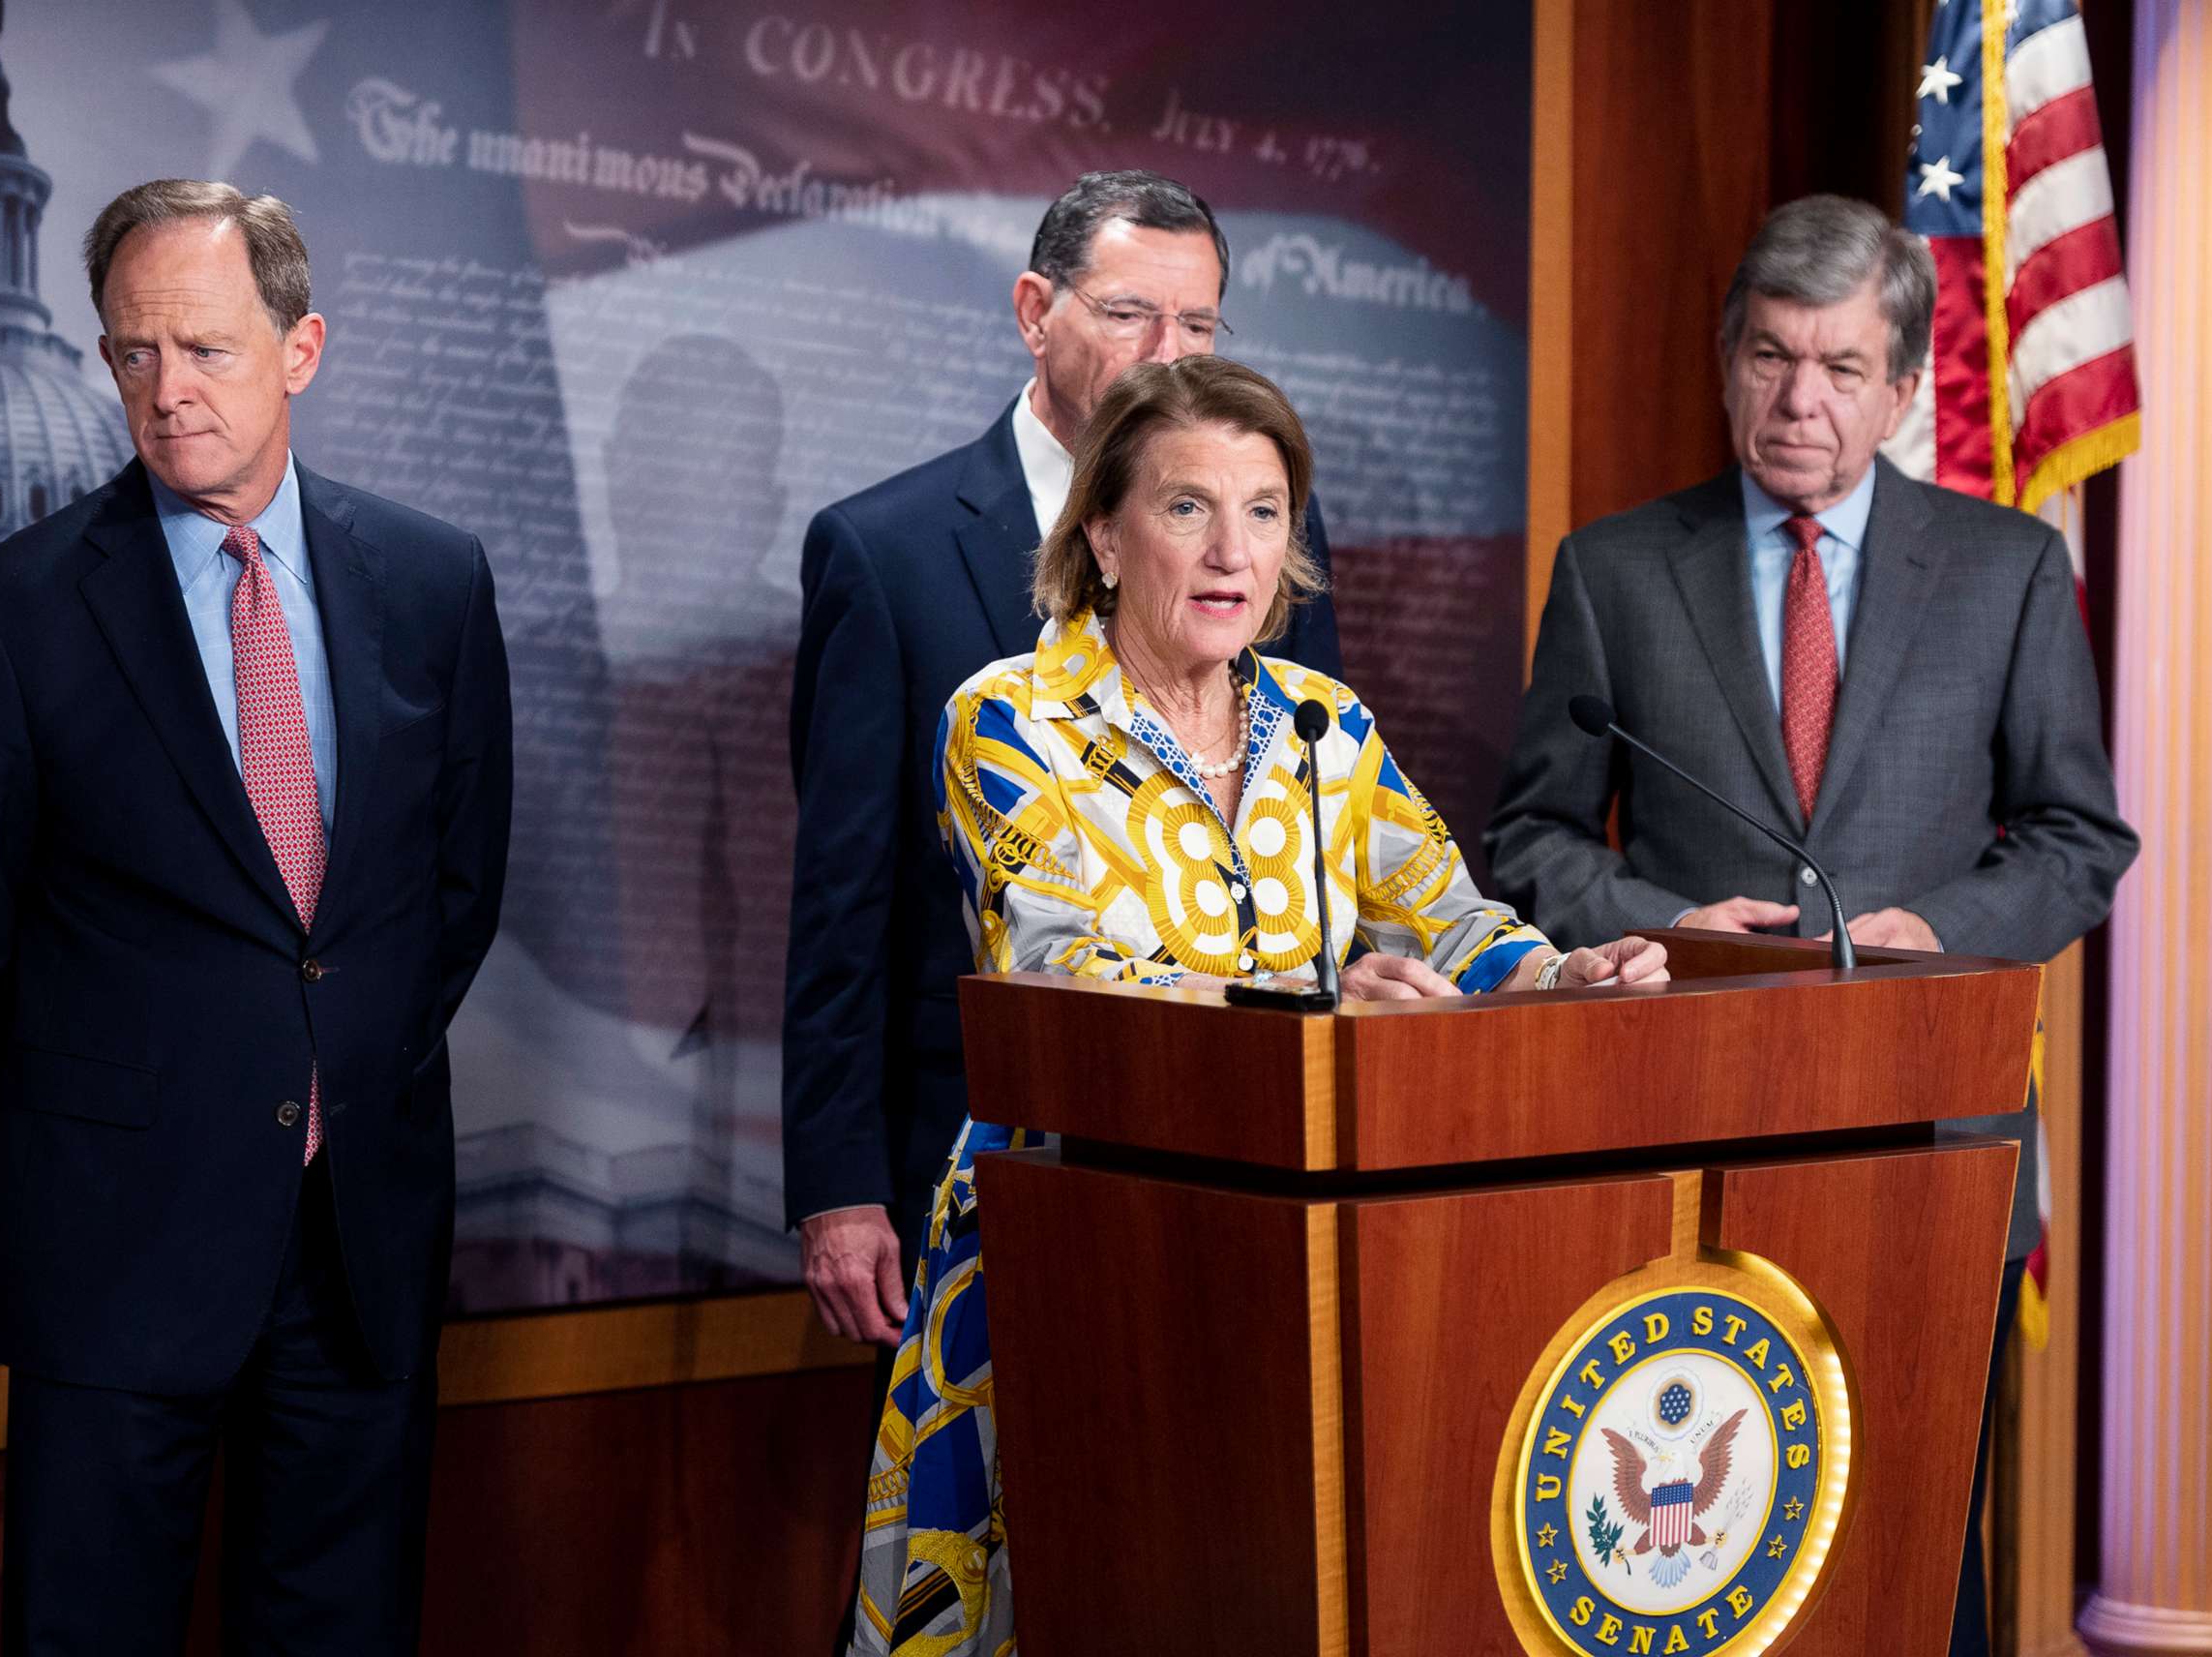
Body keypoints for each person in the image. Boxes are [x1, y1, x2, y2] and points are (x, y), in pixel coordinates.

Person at [848, 355, 1665, 1656]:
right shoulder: (1011, 718)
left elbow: (1449, 919)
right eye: (1187, 509)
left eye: (1266, 511)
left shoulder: (1324, 728)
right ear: (1104, 536)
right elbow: (1066, 965)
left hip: (1303, 1248)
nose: (1233, 550)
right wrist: (1315, 1001)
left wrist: (1567, 970)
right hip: (1075, 1241)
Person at [1484, 194, 2136, 1657]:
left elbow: (2081, 840)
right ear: (1727, 366)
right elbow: (1524, 840)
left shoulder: (2006, 569)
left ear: (1903, 391)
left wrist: (1933, 932)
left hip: (1929, 1129)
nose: (1800, 400)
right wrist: (1670, 925)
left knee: (1910, 1542)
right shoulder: (1613, 568)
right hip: (1674, 1119)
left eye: (1841, 368)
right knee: (1692, 1543)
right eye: (1773, 358)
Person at [0, 179, 514, 1654]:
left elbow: (451, 897)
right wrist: (106, 1114)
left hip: (357, 1244)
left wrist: (318, 1082)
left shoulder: (430, 583)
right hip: (115, 1249)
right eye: (133, 355)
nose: (166, 395)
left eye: (208, 351)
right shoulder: (7, 614)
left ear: (302, 349)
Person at [786, 169, 1345, 1348]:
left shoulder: (1269, 535)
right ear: (1036, 310)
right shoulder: (883, 553)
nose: (1166, 354)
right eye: (1131, 313)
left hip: (1236, 1143)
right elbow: (845, 901)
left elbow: (1322, 826)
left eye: (1197, 324)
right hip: (973, 1142)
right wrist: (839, 1183)